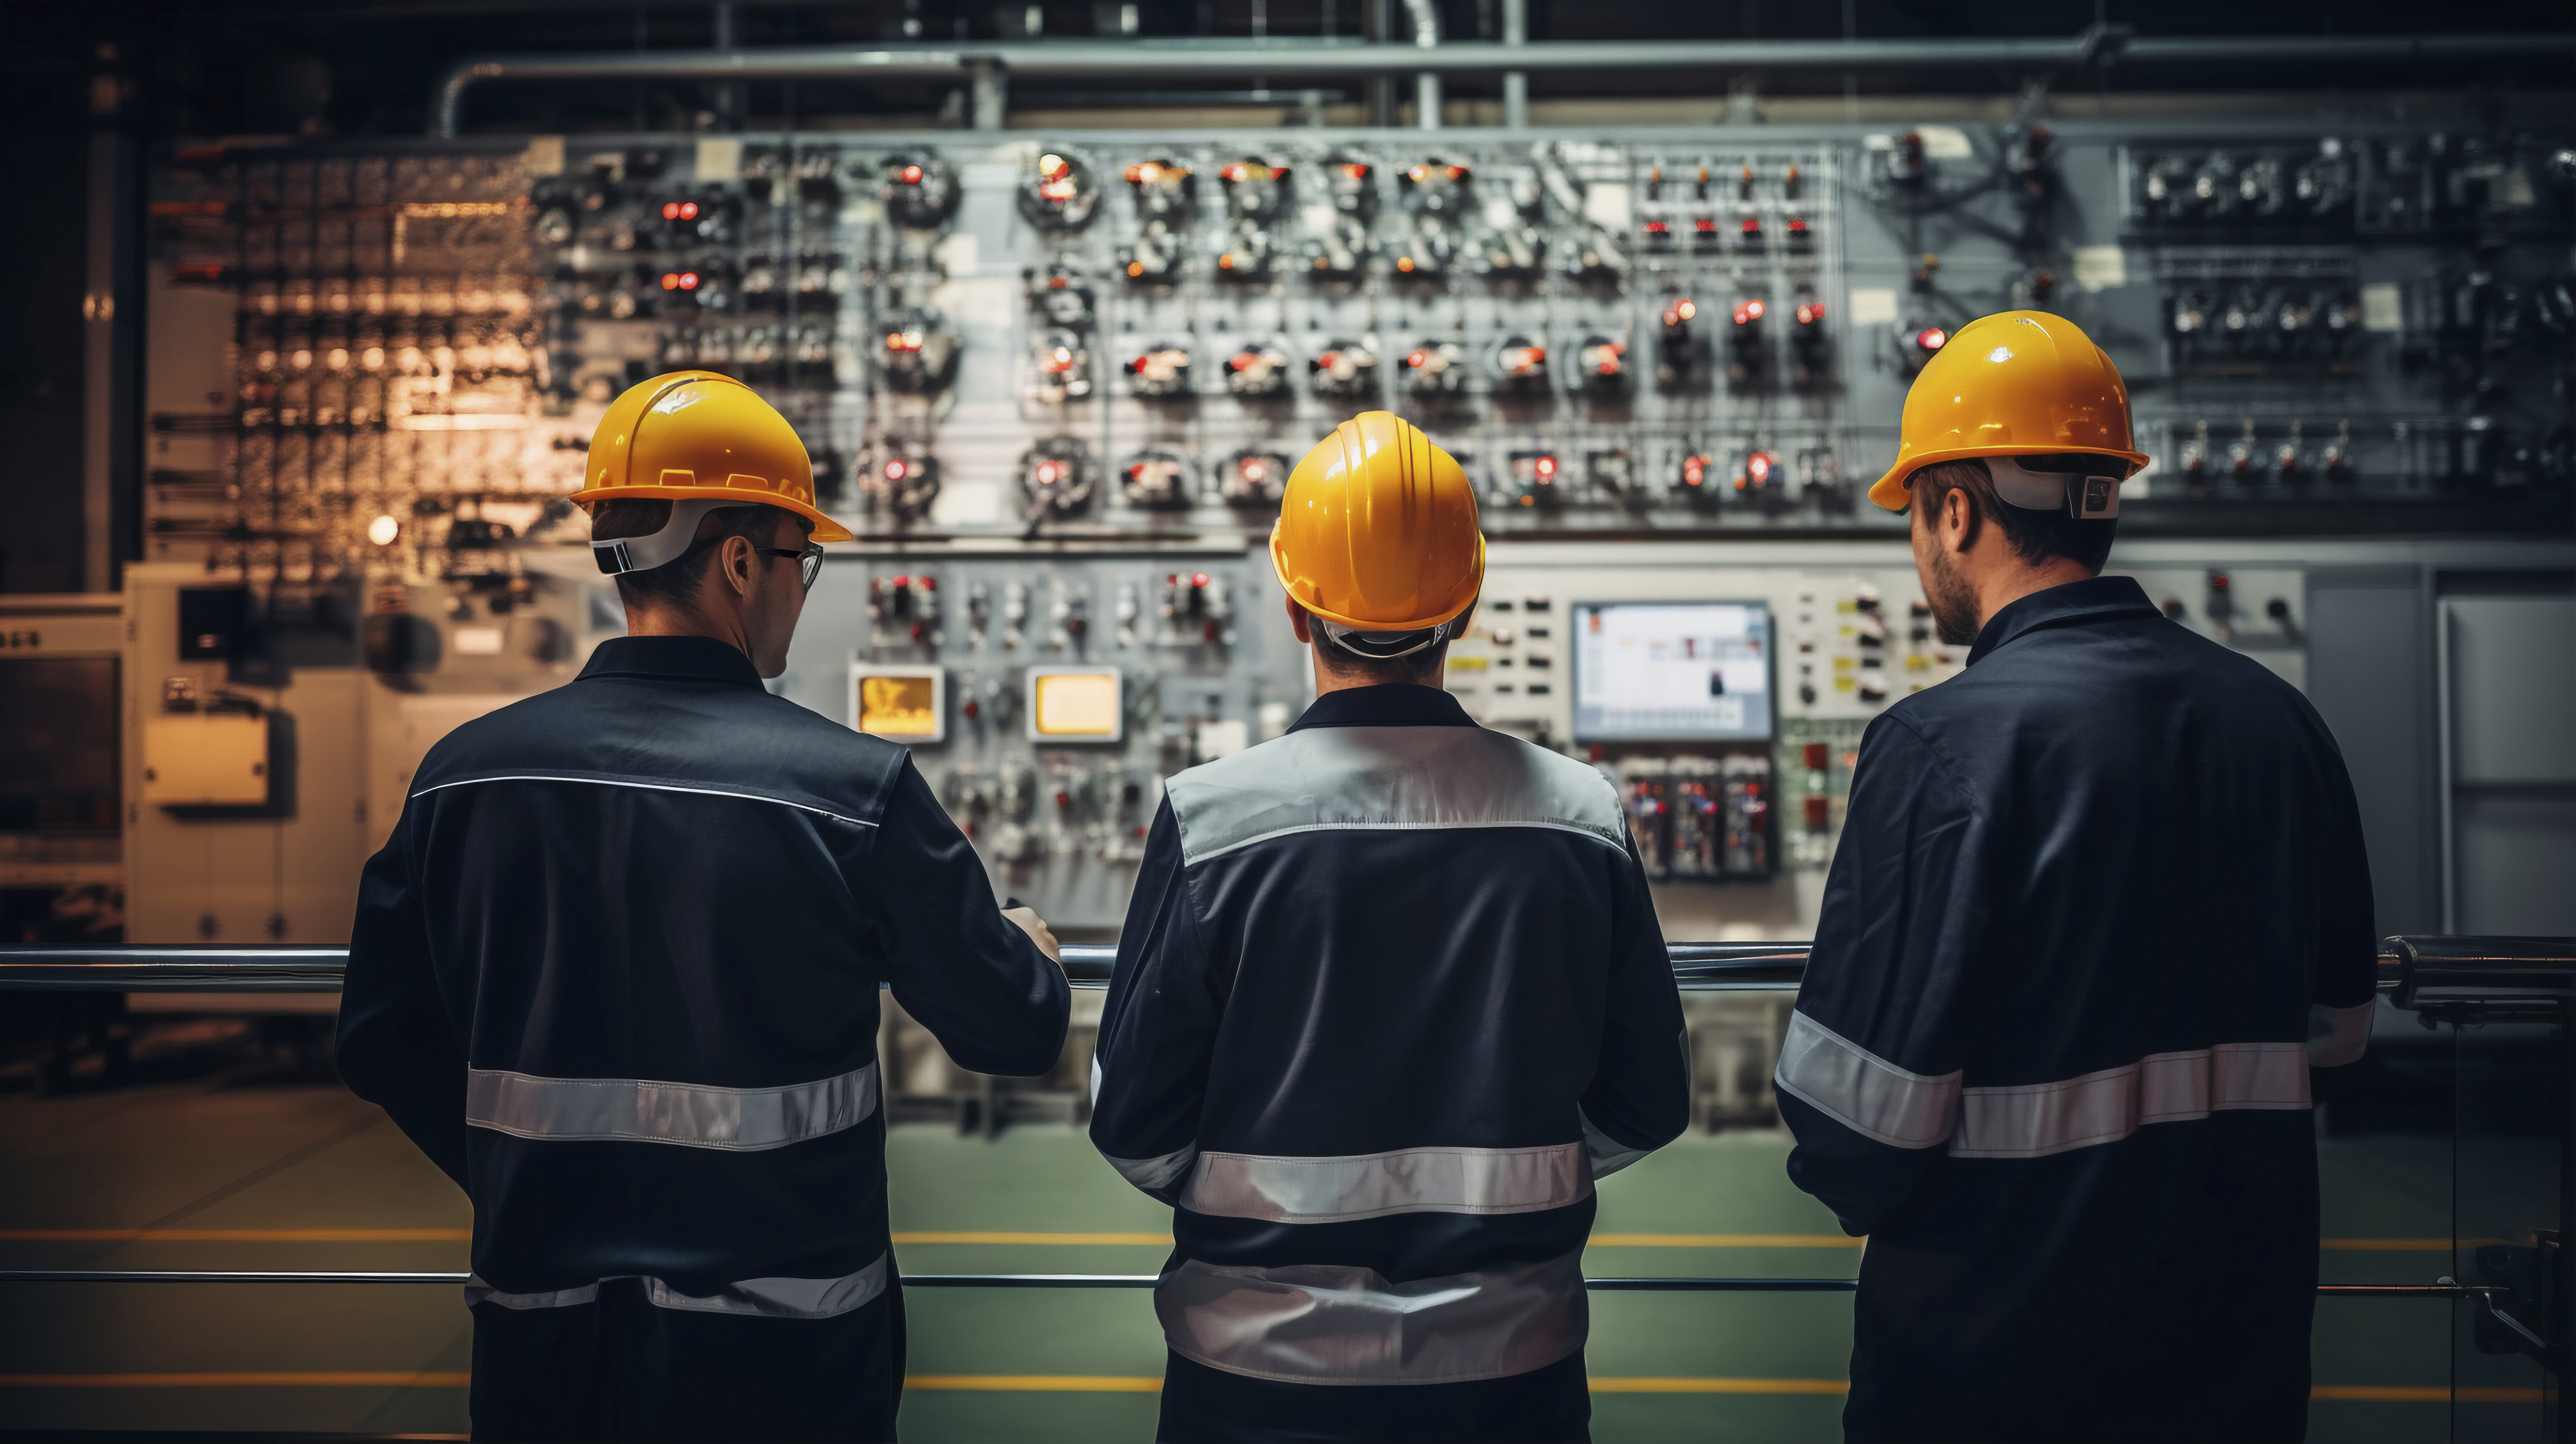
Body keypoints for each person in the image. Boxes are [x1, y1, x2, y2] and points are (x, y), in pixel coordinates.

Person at [336, 371, 1070, 1443]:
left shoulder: (463, 779)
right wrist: (1025, 951)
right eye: (798, 559)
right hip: (787, 1357)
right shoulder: (849, 794)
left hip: (545, 1346)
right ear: (736, 561)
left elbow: (377, 1041)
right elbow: (1012, 1030)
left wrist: (529, 1180)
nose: (801, 587)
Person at [1775, 313, 2378, 1443]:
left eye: (1915, 512)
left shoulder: (1939, 746)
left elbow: (1855, 1132)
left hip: (1990, 1366)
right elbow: (2335, 1043)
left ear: (1954, 509)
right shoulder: (2278, 723)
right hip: (2231, 1363)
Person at [1087, 411, 1690, 1444]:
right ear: (1464, 608)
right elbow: (1646, 1102)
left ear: (1292, 607)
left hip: (1252, 1373)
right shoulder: (1579, 815)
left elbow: (1134, 1124)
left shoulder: (1211, 818)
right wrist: (1507, 1180)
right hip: (1514, 1372)